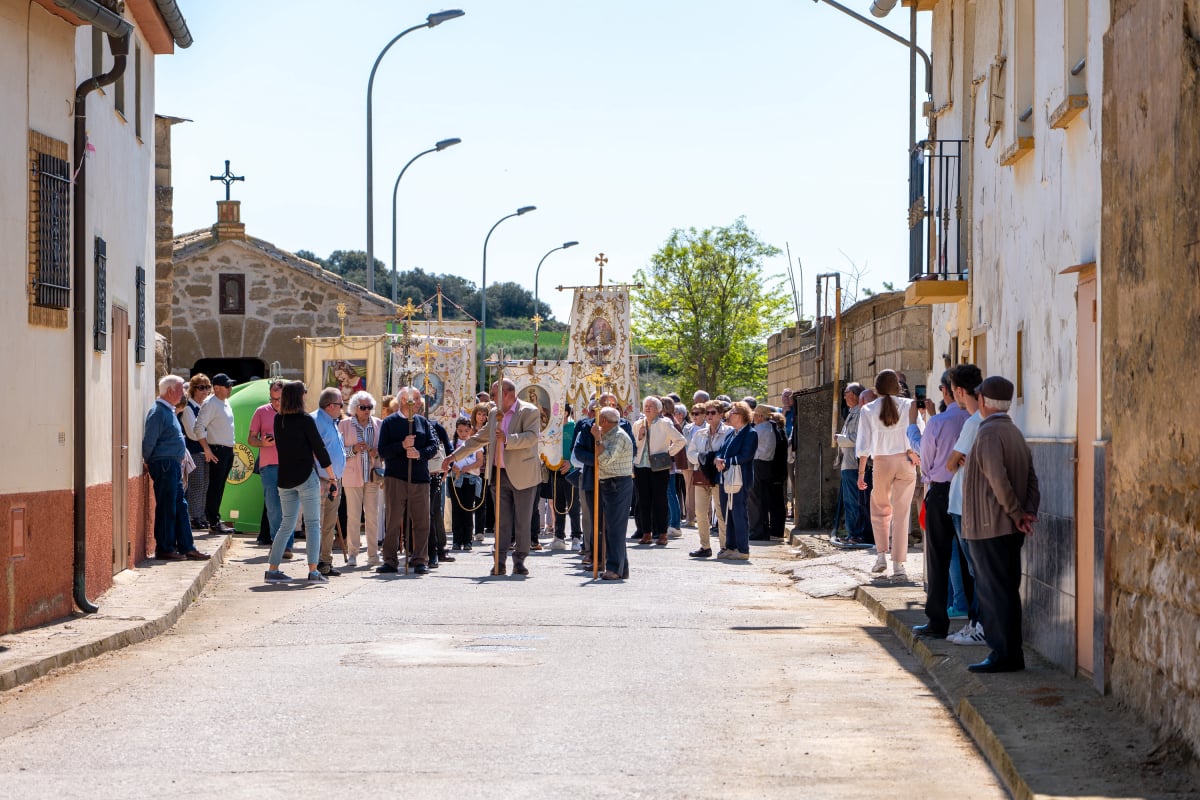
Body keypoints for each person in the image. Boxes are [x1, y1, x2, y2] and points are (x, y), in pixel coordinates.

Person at [963, 376, 1040, 673]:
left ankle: (1002, 654)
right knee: (1006, 590)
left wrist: (1017, 512)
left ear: (982, 401)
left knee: (994, 593)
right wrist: (1026, 512)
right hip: (1006, 527)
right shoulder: (1014, 432)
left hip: (990, 528)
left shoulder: (989, 435)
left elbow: (998, 480)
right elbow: (1032, 477)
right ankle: (1010, 654)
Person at [451, 379, 543, 576]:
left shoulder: (529, 411)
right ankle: (499, 560)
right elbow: (479, 438)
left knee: (522, 521)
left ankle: (520, 560)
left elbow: (532, 437)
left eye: (494, 395)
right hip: (498, 474)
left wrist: (508, 439)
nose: (491, 399)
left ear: (507, 395)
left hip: (523, 475)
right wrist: (453, 456)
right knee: (501, 521)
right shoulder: (494, 414)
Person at [908, 374, 970, 639]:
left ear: (948, 391)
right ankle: (972, 613)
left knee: (937, 557)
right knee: (969, 557)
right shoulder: (972, 420)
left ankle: (937, 620)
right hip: (968, 491)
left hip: (941, 491)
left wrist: (913, 424)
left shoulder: (938, 422)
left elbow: (926, 457)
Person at [264, 381, 337, 583]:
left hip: (284, 478)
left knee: (286, 524)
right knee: (313, 524)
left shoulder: (279, 420)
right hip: (305, 476)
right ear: (299, 397)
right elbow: (320, 450)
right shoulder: (305, 420)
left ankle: (272, 569)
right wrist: (332, 477)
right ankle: (313, 571)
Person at [856, 370, 917, 579]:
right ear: (898, 387)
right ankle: (899, 565)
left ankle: (881, 556)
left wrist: (861, 472)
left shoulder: (868, 409)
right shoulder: (909, 405)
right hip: (906, 460)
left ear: (876, 388)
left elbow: (864, 444)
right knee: (902, 514)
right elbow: (919, 434)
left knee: (880, 511)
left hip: (881, 462)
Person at [143, 375, 211, 562]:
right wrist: (148, 460)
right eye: (181, 389)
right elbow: (149, 440)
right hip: (165, 464)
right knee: (167, 506)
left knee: (180, 506)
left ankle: (187, 546)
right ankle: (164, 548)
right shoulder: (158, 412)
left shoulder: (167, 410)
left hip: (172, 465)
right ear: (170, 391)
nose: (184, 393)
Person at [376, 387, 440, 576]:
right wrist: (401, 446)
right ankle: (390, 560)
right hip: (396, 477)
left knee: (421, 521)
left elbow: (433, 446)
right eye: (417, 399)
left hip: (419, 478)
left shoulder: (422, 422)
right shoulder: (389, 422)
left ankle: (420, 559)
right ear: (405, 400)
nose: (421, 402)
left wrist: (419, 454)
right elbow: (382, 450)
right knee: (394, 520)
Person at [945, 364, 987, 646]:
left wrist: (956, 460)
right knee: (976, 568)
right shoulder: (978, 420)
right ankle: (975, 623)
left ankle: (979, 625)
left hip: (964, 504)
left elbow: (951, 463)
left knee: (976, 569)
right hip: (966, 503)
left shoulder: (973, 422)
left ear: (959, 391)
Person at [632, 396, 686, 547]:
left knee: (660, 500)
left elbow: (680, 440)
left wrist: (668, 454)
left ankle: (662, 533)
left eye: (651, 406)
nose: (647, 408)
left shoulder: (665, 424)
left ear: (658, 409)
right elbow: (634, 444)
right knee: (643, 501)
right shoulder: (638, 424)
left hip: (659, 467)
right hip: (641, 466)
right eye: (645, 405)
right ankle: (646, 533)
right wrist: (640, 435)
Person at [339, 391, 382, 567]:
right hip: (352, 476)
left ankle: (373, 554)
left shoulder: (379, 424)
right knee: (353, 516)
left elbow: (385, 449)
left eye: (369, 407)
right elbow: (339, 451)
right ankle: (353, 554)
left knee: (372, 517)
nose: (367, 411)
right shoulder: (344, 425)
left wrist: (375, 451)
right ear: (355, 408)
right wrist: (354, 450)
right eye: (363, 407)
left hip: (373, 476)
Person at [686, 400, 732, 558]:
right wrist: (705, 459)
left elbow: (728, 453)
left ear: (721, 414)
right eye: (707, 413)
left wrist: (715, 459)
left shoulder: (729, 432)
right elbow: (690, 453)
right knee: (700, 511)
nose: (709, 416)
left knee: (720, 511)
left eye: (713, 413)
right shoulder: (700, 433)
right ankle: (705, 546)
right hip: (702, 475)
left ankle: (725, 546)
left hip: (720, 476)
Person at [594, 406, 634, 580]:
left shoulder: (618, 436)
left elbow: (605, 459)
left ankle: (614, 568)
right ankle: (621, 567)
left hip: (618, 483)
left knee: (616, 528)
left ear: (604, 421)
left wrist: (597, 440)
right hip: (610, 482)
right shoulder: (610, 435)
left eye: (599, 419)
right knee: (612, 527)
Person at [195, 373, 237, 534]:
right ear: (217, 388)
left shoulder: (225, 402)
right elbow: (199, 427)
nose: (230, 388)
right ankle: (213, 520)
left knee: (220, 487)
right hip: (217, 449)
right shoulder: (211, 403)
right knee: (215, 487)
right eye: (227, 386)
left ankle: (215, 519)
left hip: (227, 449)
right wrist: (207, 449)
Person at [715, 401, 758, 561]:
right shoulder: (731, 433)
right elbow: (721, 450)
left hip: (740, 480)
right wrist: (717, 459)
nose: (728, 415)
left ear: (740, 415)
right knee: (729, 514)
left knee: (739, 514)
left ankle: (743, 549)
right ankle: (731, 546)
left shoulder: (750, 433)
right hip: (727, 478)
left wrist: (726, 462)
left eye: (732, 413)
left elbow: (746, 455)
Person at [312, 387, 348, 577]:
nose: (342, 407)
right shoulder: (315, 421)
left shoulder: (333, 422)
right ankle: (315, 563)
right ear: (331, 406)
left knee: (329, 524)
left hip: (335, 480)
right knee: (316, 523)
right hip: (320, 479)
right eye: (341, 404)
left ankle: (325, 561)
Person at [248, 379, 287, 550]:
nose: (276, 403)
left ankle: (286, 545)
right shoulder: (261, 412)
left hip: (290, 466)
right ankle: (277, 542)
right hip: (269, 465)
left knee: (289, 508)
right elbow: (251, 439)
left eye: (279, 399)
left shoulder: (294, 412)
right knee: (273, 508)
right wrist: (263, 443)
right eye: (273, 399)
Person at [833, 382, 871, 546]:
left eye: (846, 392)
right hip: (848, 462)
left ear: (854, 395)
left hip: (853, 463)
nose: (844, 396)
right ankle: (852, 533)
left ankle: (855, 533)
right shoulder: (853, 412)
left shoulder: (860, 413)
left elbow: (857, 439)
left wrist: (839, 439)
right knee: (850, 500)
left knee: (853, 500)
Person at [178, 374, 211, 531]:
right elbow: (193, 433)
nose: (205, 391)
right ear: (193, 389)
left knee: (205, 486)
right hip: (194, 452)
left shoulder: (203, 407)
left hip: (205, 451)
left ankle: (201, 515)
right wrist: (208, 432)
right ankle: (193, 516)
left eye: (207, 387)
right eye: (201, 387)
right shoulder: (189, 409)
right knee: (196, 486)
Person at [448, 416, 483, 552]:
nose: (463, 433)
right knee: (456, 509)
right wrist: (453, 467)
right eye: (460, 430)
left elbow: (480, 461)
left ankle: (467, 539)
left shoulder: (475, 444)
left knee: (468, 509)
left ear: (471, 430)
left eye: (466, 431)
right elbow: (448, 460)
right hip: (455, 479)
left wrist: (468, 467)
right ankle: (457, 540)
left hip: (470, 478)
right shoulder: (452, 444)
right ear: (456, 430)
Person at [551, 403, 581, 550]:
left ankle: (576, 537)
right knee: (558, 505)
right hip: (556, 470)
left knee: (573, 506)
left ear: (567, 412)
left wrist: (571, 463)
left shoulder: (574, 427)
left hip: (571, 470)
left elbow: (578, 448)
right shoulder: (552, 429)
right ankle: (559, 536)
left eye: (562, 410)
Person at [747, 403, 777, 541]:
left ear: (759, 416)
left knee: (754, 498)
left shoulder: (758, 430)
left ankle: (756, 530)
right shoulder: (771, 427)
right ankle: (764, 529)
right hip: (767, 465)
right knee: (764, 498)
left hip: (757, 463)